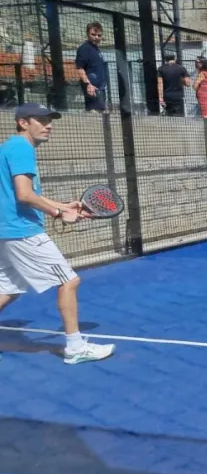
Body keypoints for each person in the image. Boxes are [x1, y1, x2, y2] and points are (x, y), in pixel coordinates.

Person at [0, 103, 116, 365]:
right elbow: (24, 194)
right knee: (69, 281)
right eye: (41, 120)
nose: (48, 124)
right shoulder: (21, 148)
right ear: (23, 123)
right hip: (22, 230)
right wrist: (58, 214)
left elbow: (24, 193)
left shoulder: (7, 147)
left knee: (8, 289)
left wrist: (63, 205)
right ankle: (75, 347)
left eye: (50, 119)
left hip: (6, 230)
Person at [75, 21, 109, 114]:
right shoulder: (84, 49)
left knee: (102, 113)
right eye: (93, 34)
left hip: (100, 88)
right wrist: (88, 84)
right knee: (94, 115)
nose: (96, 37)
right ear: (87, 34)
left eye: (99, 35)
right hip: (92, 88)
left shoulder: (95, 48)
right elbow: (80, 68)